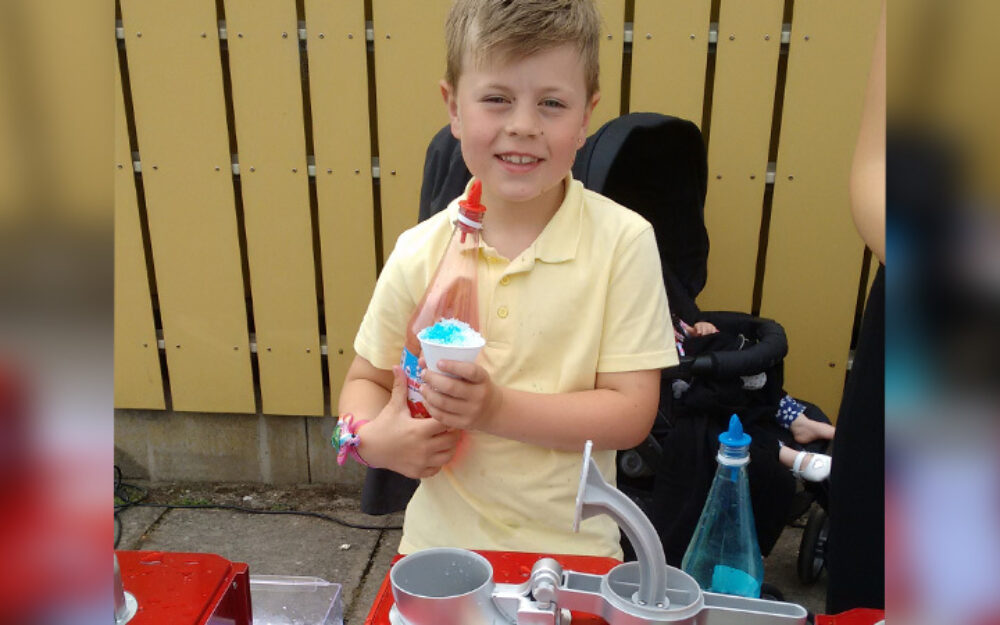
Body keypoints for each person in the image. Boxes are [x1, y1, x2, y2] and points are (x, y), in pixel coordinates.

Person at [336, 0, 676, 559]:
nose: (522, 125)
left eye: (551, 103)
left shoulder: (623, 242)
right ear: (453, 107)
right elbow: (365, 380)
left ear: (585, 117)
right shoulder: (420, 250)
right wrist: (370, 441)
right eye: (496, 99)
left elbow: (632, 413)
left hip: (576, 554)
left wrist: (494, 411)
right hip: (436, 552)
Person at [675, 319, 834, 482]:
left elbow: (686, 330)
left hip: (717, 378)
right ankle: (788, 456)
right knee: (729, 419)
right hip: (691, 394)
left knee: (760, 384)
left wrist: (697, 329)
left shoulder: (672, 318)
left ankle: (798, 421)